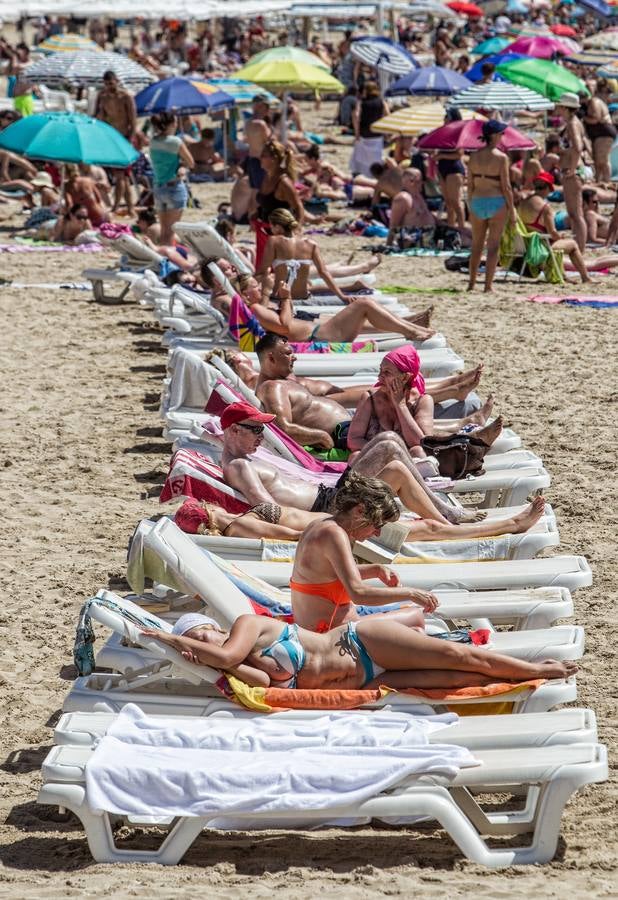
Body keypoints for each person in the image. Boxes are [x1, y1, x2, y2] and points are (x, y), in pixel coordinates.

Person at [145, 489, 576, 690]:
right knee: (455, 675)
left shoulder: (244, 626)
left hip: (354, 642)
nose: (372, 532)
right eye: (371, 522)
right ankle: (525, 679)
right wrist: (178, 643)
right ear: (355, 510)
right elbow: (244, 671)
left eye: (198, 631)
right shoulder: (241, 660)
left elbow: (348, 585)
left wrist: (170, 638)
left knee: (458, 655)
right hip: (367, 672)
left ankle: (535, 669)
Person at [220, 400, 485, 524]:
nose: (261, 436)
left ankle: (444, 516)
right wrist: (321, 525)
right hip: (330, 506)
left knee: (390, 442)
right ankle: (446, 518)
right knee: (391, 452)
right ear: (233, 430)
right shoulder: (239, 466)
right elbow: (268, 509)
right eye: (256, 430)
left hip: (331, 495)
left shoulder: (245, 459)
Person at [347, 345, 498, 458]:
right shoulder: (370, 398)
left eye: (387, 373)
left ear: (405, 377)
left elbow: (421, 442)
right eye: (380, 371)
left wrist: (401, 405)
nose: (380, 377)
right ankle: (466, 413)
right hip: (374, 459)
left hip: (406, 463)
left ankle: (469, 421)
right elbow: (353, 440)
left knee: (418, 452)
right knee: (355, 456)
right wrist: (384, 450)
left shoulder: (423, 401)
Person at [257, 208, 387, 306]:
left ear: (278, 226)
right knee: (307, 285)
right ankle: (352, 286)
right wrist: (342, 297)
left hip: (280, 298)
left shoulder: (273, 241)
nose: (271, 230)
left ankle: (353, 286)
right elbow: (324, 272)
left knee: (266, 279)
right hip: (303, 297)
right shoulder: (311, 243)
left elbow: (263, 271)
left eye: (271, 226)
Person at [467, 119, 515, 293]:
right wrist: (512, 210)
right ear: (493, 135)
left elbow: (470, 185)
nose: (502, 136)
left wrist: (469, 204)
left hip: (477, 200)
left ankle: (471, 283)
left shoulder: (473, 156)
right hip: (496, 201)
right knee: (493, 246)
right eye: (501, 133)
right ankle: (488, 286)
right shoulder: (502, 158)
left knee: (477, 245)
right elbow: (506, 187)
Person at [517, 172, 591, 283]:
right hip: (540, 250)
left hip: (524, 248)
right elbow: (553, 233)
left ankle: (564, 276)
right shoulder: (545, 208)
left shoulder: (522, 203)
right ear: (548, 188)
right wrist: (561, 236)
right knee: (572, 244)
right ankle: (586, 278)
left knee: (556, 241)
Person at [252, 139, 304, 271]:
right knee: (265, 272)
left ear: (274, 159)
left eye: (264, 155)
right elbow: (267, 203)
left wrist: (296, 229)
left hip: (279, 233)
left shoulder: (283, 181)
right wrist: (256, 214)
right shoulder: (267, 177)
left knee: (280, 272)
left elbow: (298, 207)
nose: (260, 158)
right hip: (265, 231)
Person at [94, 70, 137, 216]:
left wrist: (130, 140)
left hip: (124, 137)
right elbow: (96, 117)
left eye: (111, 83)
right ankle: (129, 207)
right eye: (106, 84)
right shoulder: (102, 96)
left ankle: (117, 206)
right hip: (110, 138)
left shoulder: (125, 97)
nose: (109, 87)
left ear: (117, 81)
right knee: (121, 176)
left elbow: (133, 120)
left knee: (121, 175)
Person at [149, 111, 195, 245]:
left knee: (164, 231)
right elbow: (191, 162)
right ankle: (167, 261)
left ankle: (163, 259)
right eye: (174, 122)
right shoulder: (175, 141)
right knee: (170, 233)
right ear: (169, 124)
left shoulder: (153, 141)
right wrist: (181, 165)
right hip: (173, 188)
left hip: (158, 188)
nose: (176, 124)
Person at [555, 92, 587, 254]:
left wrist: (572, 169)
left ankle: (579, 249)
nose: (556, 107)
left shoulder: (572, 124)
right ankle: (578, 248)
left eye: (559, 105)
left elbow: (578, 147)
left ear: (565, 107)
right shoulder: (573, 122)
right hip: (573, 170)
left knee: (576, 214)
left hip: (573, 171)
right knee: (575, 213)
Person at [387, 168, 437, 247]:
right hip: (416, 239)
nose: (422, 183)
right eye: (420, 180)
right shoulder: (403, 198)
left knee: (462, 233)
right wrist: (388, 244)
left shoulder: (418, 196)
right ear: (411, 182)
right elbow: (394, 224)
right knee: (462, 239)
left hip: (430, 235)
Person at [350, 81, 389, 178]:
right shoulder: (382, 101)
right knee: (376, 155)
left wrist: (357, 133)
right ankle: (375, 174)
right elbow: (387, 114)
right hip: (377, 132)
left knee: (361, 156)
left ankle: (361, 173)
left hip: (364, 132)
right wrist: (385, 130)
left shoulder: (361, 102)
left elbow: (356, 115)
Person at [584, 79, 616, 184]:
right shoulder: (599, 100)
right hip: (603, 132)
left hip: (603, 132)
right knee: (600, 161)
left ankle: (606, 182)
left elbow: (596, 118)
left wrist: (583, 118)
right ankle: (602, 182)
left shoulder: (595, 101)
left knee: (602, 161)